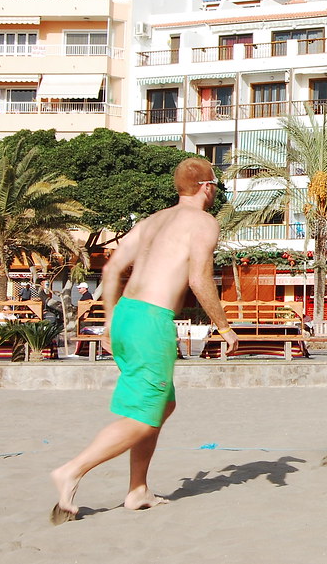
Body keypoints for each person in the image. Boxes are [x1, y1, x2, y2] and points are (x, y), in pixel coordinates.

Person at [50, 157, 236, 525]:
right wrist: (225, 326)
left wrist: (109, 322)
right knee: (142, 416)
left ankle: (138, 490)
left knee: (162, 406)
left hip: (127, 316)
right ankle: (71, 471)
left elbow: (112, 268)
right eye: (216, 186)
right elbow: (199, 280)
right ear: (206, 186)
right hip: (152, 320)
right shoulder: (202, 221)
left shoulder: (153, 220)